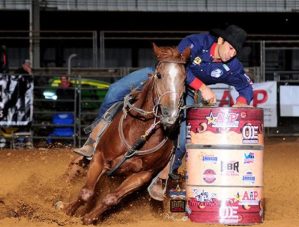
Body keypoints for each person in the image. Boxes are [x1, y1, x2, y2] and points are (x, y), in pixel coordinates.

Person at [73, 24, 253, 199]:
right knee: (115, 91)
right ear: (220, 40)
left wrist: (241, 103)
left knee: (182, 139)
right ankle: (94, 138)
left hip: (186, 92)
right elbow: (178, 63)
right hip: (162, 76)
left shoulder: (233, 66)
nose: (232, 54)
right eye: (230, 48)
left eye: (236, 51)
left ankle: (164, 176)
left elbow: (246, 87)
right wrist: (202, 87)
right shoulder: (197, 42)